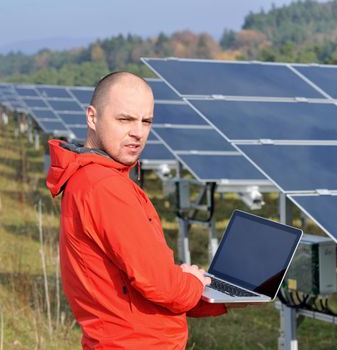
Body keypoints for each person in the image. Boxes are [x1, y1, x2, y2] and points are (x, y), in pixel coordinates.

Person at [46, 72, 227, 349]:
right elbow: (160, 285)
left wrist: (198, 288)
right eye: (125, 119)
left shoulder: (92, 178)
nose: (138, 132)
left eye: (146, 121)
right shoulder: (105, 187)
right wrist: (191, 282)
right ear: (92, 117)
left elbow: (133, 278)